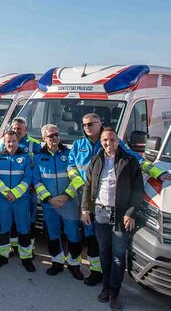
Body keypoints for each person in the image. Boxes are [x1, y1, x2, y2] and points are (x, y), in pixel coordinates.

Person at [67, 113, 170, 286]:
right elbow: (71, 166)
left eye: (91, 123)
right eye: (84, 125)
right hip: (88, 199)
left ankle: (106, 277)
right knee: (91, 237)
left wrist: (158, 173)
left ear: (100, 124)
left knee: (110, 245)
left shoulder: (112, 141)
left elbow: (137, 161)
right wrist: (81, 185)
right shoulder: (78, 145)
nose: (87, 127)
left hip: (111, 203)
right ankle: (95, 271)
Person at [82, 127, 144, 310]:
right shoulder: (96, 160)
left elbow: (137, 190)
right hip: (100, 212)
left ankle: (114, 293)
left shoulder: (129, 161)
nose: (108, 144)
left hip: (120, 215)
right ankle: (106, 287)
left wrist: (130, 213)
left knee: (118, 256)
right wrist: (85, 209)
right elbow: (87, 186)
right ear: (101, 142)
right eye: (105, 141)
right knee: (104, 252)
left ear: (118, 141)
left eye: (112, 140)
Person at [33, 124, 83, 280]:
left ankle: (74, 264)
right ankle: (57, 262)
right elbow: (37, 181)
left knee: (73, 234)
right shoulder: (38, 157)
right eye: (50, 136)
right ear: (44, 138)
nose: (54, 138)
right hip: (50, 204)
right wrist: (49, 198)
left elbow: (76, 177)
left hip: (68, 202)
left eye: (56, 134)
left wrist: (66, 196)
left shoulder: (69, 154)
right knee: (53, 234)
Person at [0, 130, 35, 272]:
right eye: (8, 141)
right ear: (4, 142)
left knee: (23, 228)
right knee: (4, 228)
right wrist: (6, 192)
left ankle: (26, 258)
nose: (11, 144)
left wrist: (15, 193)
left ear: (18, 141)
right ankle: (2, 256)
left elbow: (28, 177)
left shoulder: (26, 157)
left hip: (20, 199)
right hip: (4, 199)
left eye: (14, 141)